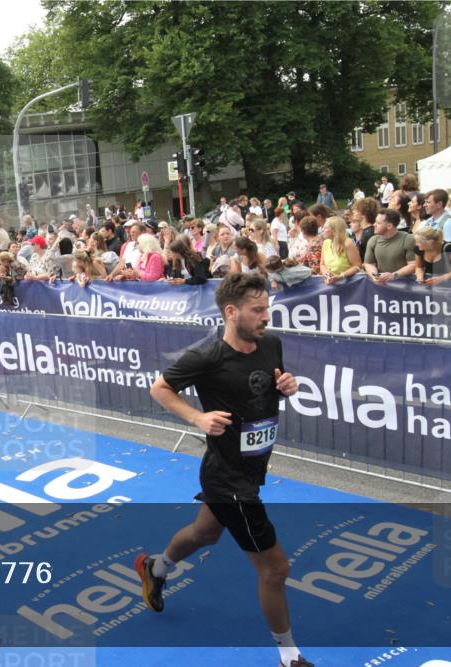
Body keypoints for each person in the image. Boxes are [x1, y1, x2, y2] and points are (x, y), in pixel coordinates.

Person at [138, 273, 311, 667]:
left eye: (267, 308)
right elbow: (159, 388)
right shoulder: (207, 357)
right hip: (228, 478)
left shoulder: (271, 345)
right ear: (231, 313)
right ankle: (290, 657)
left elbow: (267, 387)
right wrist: (197, 419)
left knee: (204, 533)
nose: (266, 316)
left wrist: (284, 385)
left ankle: (155, 566)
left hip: (252, 467)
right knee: (275, 568)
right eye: (258, 310)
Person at [363, 209, 416, 283]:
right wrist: (375, 276)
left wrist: (394, 275)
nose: (374, 224)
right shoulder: (373, 240)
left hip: (405, 287)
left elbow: (414, 265)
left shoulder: (408, 239)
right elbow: (369, 263)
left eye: (378, 223)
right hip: (381, 287)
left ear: (389, 226)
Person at [319, 217, 362, 285]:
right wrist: (325, 273)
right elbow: (322, 264)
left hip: (349, 284)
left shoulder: (347, 243)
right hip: (331, 285)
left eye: (325, 228)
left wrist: (341, 276)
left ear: (334, 231)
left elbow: (357, 266)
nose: (322, 230)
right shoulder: (326, 243)